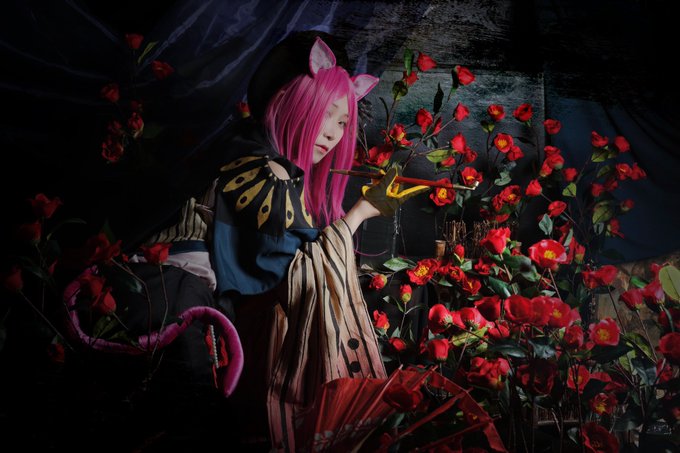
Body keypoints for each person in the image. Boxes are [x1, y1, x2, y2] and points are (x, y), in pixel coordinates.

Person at [209, 31, 428, 452]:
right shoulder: (266, 172)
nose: (332, 134)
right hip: (259, 347)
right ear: (290, 102)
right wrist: (360, 212)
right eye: (326, 114)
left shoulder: (257, 156)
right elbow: (296, 277)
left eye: (342, 123)